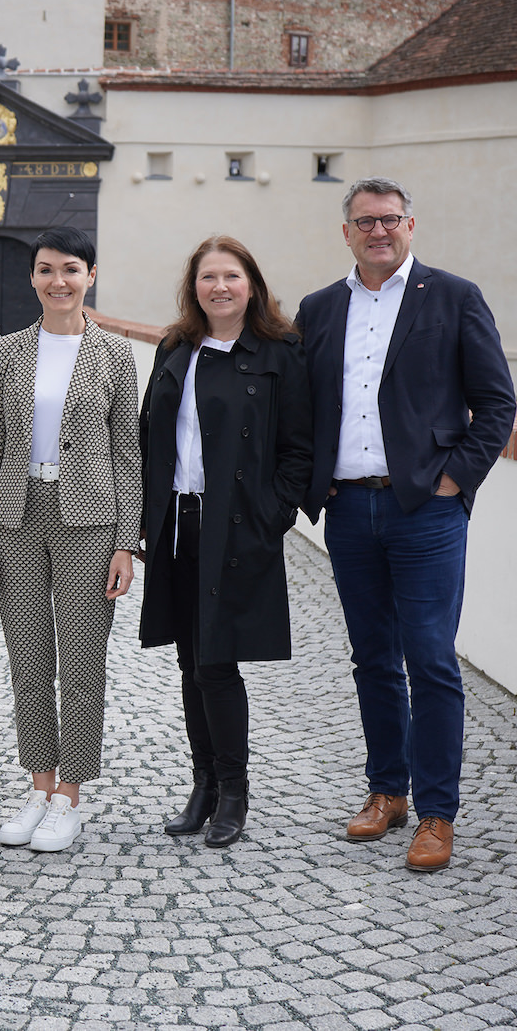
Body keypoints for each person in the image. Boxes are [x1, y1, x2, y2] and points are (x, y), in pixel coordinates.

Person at [295, 177, 515, 872]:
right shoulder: (321, 308)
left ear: (411, 226)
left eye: (390, 219)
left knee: (431, 657)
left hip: (426, 511)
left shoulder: (453, 298)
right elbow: (303, 405)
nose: (378, 231)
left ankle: (437, 813)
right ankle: (387, 789)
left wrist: (454, 478)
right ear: (347, 232)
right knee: (372, 658)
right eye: (365, 221)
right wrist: (315, 478)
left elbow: (497, 403)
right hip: (351, 510)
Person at [0, 227, 142, 852]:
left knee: (82, 659)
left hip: (89, 521)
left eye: (70, 269)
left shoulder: (115, 356)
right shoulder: (10, 352)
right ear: (33, 278)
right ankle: (39, 784)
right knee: (30, 659)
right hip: (17, 517)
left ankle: (72, 794)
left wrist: (127, 541)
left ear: (90, 275)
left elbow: (128, 457)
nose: (58, 281)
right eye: (45, 270)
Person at [138, 236, 313, 848]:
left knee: (216, 661)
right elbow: (149, 435)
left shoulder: (279, 352)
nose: (220, 287)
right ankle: (204, 785)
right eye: (208, 277)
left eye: (231, 276)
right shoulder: (175, 347)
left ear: (251, 284)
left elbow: (300, 446)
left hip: (234, 525)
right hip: (177, 523)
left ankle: (232, 791)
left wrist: (272, 513)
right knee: (191, 661)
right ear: (194, 287)